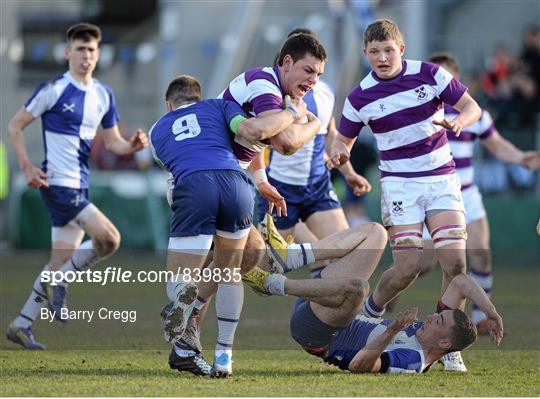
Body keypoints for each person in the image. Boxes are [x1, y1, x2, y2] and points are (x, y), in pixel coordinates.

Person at [327, 19, 482, 371]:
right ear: (366, 53)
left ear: (402, 48)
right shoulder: (359, 97)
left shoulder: (430, 75)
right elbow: (344, 141)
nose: (382, 58)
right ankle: (365, 318)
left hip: (441, 179)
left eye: (388, 50)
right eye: (374, 52)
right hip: (400, 185)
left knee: (456, 264)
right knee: (407, 268)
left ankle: (449, 346)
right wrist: (340, 153)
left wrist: (461, 122)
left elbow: (472, 107)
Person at [150, 75, 307, 377]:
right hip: (236, 185)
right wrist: (293, 113)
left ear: (169, 104)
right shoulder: (220, 107)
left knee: (180, 276)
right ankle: (224, 356)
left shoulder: (158, 128)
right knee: (229, 272)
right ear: (199, 96)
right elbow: (248, 134)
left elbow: (172, 164)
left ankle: (184, 295)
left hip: (194, 186)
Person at [5, 22, 148, 350]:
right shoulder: (53, 89)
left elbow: (114, 144)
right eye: (80, 49)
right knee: (109, 239)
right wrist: (27, 166)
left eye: (92, 50)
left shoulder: (102, 95)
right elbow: (14, 126)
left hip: (80, 187)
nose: (86, 55)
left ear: (98, 55)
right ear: (68, 52)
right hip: (57, 185)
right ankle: (63, 282)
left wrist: (133, 146)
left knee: (58, 262)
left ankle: (22, 323)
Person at [248, 214, 503, 374]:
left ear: (445, 343)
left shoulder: (412, 360)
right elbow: (459, 282)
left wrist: (392, 330)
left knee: (359, 288)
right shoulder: (429, 334)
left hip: (320, 334)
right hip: (332, 307)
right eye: (439, 316)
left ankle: (273, 283)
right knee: (375, 233)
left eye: (439, 321)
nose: (431, 317)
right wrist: (490, 311)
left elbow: (360, 366)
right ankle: (291, 257)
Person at [257, 29, 370, 262]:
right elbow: (281, 143)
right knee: (266, 268)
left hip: (317, 186)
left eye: (314, 69)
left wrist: (349, 173)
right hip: (280, 188)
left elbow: (330, 133)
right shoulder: (270, 94)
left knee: (345, 256)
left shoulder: (325, 92)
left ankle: (311, 293)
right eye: (306, 68)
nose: (311, 75)